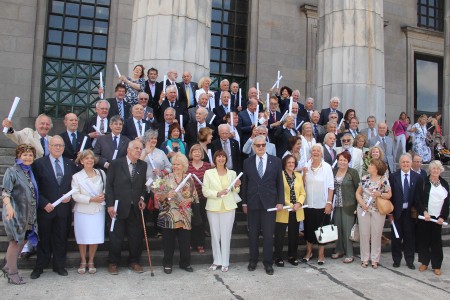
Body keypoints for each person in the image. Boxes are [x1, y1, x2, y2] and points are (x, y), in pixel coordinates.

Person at [30, 136, 78, 279]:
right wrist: (44, 203)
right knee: (43, 239)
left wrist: (70, 197)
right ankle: (39, 267)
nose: (58, 148)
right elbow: (35, 187)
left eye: (61, 145)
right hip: (45, 208)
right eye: (55, 145)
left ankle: (59, 266)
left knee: (61, 238)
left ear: (64, 148)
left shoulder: (70, 164)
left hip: (63, 210)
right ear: (48, 147)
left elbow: (75, 185)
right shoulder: (39, 164)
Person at [242, 135, 284, 275]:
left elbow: (280, 183)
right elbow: (245, 184)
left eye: (263, 145)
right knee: (252, 235)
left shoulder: (276, 161)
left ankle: (268, 263)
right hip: (253, 203)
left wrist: (280, 201)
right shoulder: (247, 162)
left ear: (266, 146)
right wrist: (244, 203)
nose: (260, 147)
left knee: (267, 235)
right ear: (253, 146)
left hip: (269, 204)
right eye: (257, 145)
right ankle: (253, 260)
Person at [105, 140, 147, 275]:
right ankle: (113, 263)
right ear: (128, 150)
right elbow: (109, 186)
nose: (139, 151)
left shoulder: (143, 165)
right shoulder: (116, 164)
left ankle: (134, 261)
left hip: (135, 208)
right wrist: (110, 205)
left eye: (141, 149)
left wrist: (142, 198)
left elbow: (142, 187)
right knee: (116, 238)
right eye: (136, 148)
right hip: (117, 208)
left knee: (135, 237)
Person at [2, 144, 38, 284]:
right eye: (24, 155)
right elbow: (5, 191)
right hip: (16, 212)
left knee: (23, 240)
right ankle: (13, 273)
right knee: (15, 241)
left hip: (29, 213)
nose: (27, 157)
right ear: (18, 156)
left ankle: (8, 266)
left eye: (30, 155)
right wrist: (9, 206)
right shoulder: (12, 171)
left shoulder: (29, 171)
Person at [157, 153, 199, 274]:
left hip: (185, 215)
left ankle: (185, 263)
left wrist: (188, 200)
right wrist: (166, 195)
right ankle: (167, 264)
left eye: (178, 164)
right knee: (168, 242)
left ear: (184, 165)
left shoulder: (188, 179)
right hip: (169, 215)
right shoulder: (166, 178)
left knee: (185, 242)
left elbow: (195, 197)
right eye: (174, 164)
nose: (175, 166)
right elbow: (159, 197)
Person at [202, 150, 241, 272]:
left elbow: (236, 191)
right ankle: (216, 260)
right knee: (215, 235)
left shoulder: (232, 173)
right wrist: (217, 193)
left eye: (223, 157)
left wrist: (237, 186)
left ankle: (225, 262)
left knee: (226, 235)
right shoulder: (208, 173)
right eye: (218, 157)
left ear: (226, 159)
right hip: (213, 207)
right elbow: (205, 191)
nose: (221, 159)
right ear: (215, 159)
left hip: (229, 207)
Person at [71, 150, 106, 274]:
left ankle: (91, 260)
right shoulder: (76, 177)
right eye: (86, 158)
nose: (89, 160)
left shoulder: (101, 173)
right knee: (83, 237)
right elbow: (75, 195)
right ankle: (83, 261)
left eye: (91, 158)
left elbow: (106, 189)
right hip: (83, 211)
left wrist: (103, 196)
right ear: (81, 161)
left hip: (98, 210)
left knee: (94, 237)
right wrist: (91, 199)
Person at [389, 153, 424, 270]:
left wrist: (421, 212)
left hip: (409, 213)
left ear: (411, 163)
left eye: (407, 162)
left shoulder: (417, 177)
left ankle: (410, 261)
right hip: (397, 212)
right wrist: (390, 213)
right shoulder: (393, 176)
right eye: (403, 162)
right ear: (400, 163)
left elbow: (419, 197)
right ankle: (396, 260)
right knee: (396, 238)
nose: (405, 164)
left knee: (409, 238)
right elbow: (390, 196)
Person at [355, 158, 392, 269]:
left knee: (376, 234)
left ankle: (375, 259)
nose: (369, 166)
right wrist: (362, 203)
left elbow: (389, 195)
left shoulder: (383, 179)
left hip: (377, 210)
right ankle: (364, 258)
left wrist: (379, 194)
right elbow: (358, 193)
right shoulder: (364, 178)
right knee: (364, 234)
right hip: (364, 209)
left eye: (371, 165)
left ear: (376, 168)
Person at [302, 144, 334, 265]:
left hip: (322, 204)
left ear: (321, 153)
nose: (315, 153)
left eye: (318, 151)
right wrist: (304, 173)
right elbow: (302, 184)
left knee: (322, 229)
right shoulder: (306, 166)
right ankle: (309, 252)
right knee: (309, 229)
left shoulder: (327, 167)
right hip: (309, 204)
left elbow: (331, 187)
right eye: (313, 151)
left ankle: (321, 254)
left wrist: (329, 203)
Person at [416, 160, 449, 276]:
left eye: (438, 168)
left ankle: (436, 265)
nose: (435, 171)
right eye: (433, 168)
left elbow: (446, 203)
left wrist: (443, 217)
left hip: (437, 219)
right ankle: (424, 262)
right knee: (424, 240)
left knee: (436, 242)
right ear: (430, 170)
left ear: (441, 170)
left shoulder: (445, 184)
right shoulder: (423, 182)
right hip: (425, 217)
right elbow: (418, 199)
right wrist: (424, 212)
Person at [273, 155, 306, 267]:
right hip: (284, 209)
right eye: (289, 162)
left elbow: (303, 192)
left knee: (294, 235)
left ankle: (292, 256)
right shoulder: (280, 175)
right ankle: (278, 257)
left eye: (293, 162)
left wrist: (299, 203)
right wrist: (290, 204)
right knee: (280, 235)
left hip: (296, 209)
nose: (291, 164)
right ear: (285, 164)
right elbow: (279, 192)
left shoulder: (298, 176)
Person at [140, 129, 172, 237]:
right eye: (151, 138)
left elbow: (169, 167)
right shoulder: (141, 151)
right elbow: (137, 165)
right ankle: (143, 233)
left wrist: (161, 172)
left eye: (155, 138)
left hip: (158, 185)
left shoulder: (161, 152)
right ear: (146, 140)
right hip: (144, 185)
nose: (153, 140)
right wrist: (145, 153)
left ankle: (158, 231)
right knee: (144, 208)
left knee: (157, 209)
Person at [332, 151, 360, 263]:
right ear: (337, 161)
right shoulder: (333, 171)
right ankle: (339, 250)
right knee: (337, 228)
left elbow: (359, 189)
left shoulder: (352, 172)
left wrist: (357, 206)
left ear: (348, 161)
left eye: (345, 160)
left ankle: (349, 253)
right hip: (336, 205)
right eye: (340, 160)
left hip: (349, 205)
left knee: (348, 230)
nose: (342, 162)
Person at [187, 144, 212, 252]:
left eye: (199, 151)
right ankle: (191, 243)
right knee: (190, 221)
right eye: (194, 151)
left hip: (203, 198)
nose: (197, 153)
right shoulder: (187, 165)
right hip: (189, 198)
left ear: (202, 154)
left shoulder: (207, 166)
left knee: (201, 221)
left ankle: (200, 244)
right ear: (191, 153)